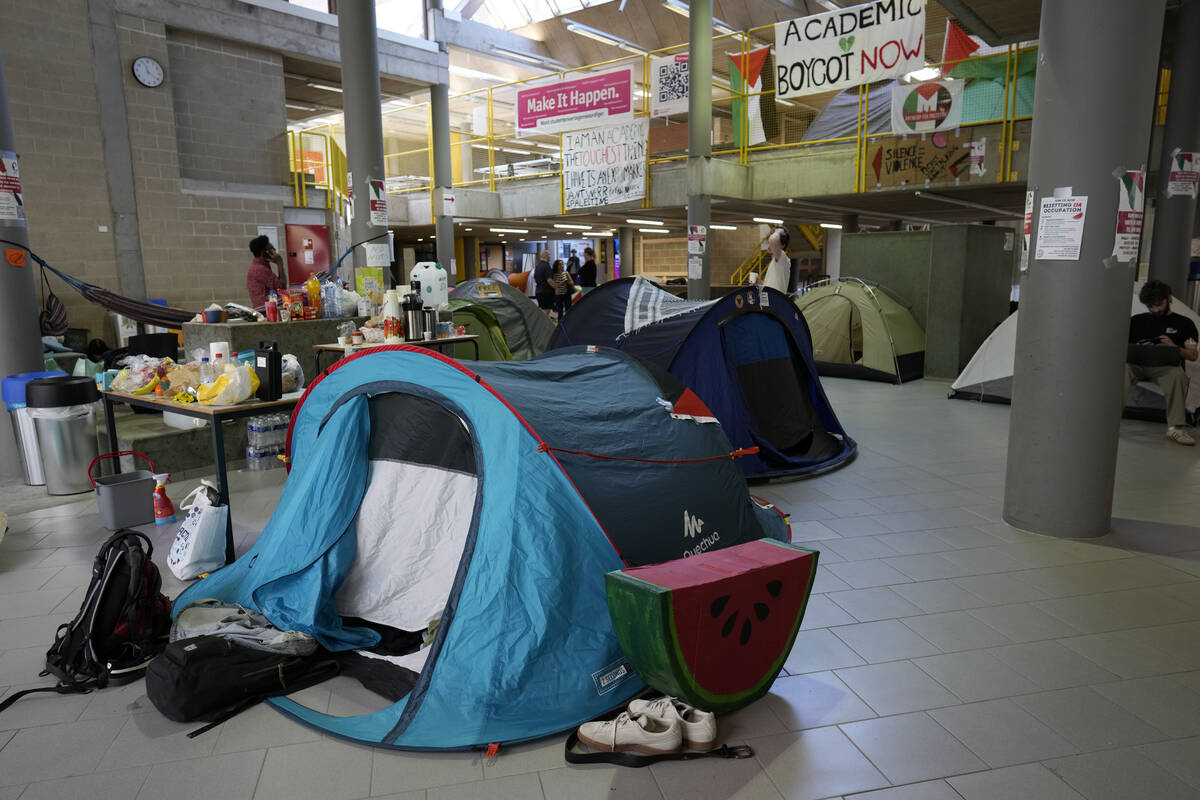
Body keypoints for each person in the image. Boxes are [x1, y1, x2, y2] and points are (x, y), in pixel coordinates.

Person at [1126, 279, 1199, 446]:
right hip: (1137, 364)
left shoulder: (1185, 324)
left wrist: (1174, 347)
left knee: (1177, 375)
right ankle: (1108, 421)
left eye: (1158, 304)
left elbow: (1193, 355)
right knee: (1120, 372)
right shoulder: (1136, 321)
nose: (1155, 309)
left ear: (1169, 299)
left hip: (1166, 367)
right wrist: (1139, 346)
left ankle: (1175, 429)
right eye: (1150, 306)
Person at [246, 235, 287, 308]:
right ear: (264, 252)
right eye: (271, 249)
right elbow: (282, 287)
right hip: (265, 309)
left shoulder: (258, 266)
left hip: (266, 306)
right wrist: (279, 263)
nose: (274, 251)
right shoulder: (260, 269)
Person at [761, 227, 794, 295]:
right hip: (770, 300)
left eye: (773, 245)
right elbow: (770, 287)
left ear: (782, 245)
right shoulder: (774, 261)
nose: (770, 245)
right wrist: (760, 283)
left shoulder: (782, 258)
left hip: (777, 300)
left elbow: (773, 239)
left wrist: (779, 230)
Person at [533, 249, 554, 315]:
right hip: (546, 292)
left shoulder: (538, 266)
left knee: (543, 310)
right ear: (546, 256)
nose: (550, 256)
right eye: (549, 255)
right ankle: (542, 324)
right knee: (546, 311)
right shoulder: (546, 266)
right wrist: (556, 287)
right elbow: (549, 280)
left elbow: (534, 277)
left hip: (538, 291)